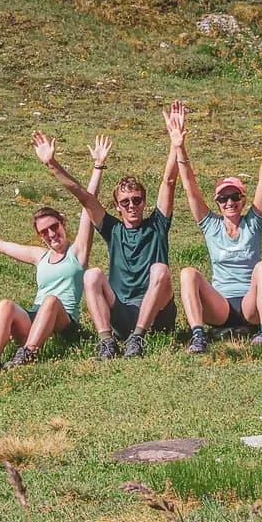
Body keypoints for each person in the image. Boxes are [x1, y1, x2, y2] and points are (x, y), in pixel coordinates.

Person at [34, 113, 179, 360]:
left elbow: (169, 181)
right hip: (122, 313)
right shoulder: (113, 229)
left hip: (158, 314)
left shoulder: (157, 224)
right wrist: (52, 164)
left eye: (137, 200)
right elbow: (84, 196)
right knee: (92, 275)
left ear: (144, 202)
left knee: (160, 270)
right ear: (117, 206)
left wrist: (176, 144)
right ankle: (107, 342)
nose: (132, 205)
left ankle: (139, 338)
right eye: (125, 202)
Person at [0, 136, 109, 366]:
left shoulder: (77, 252)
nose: (51, 234)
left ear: (63, 225)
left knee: (51, 300)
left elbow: (88, 206)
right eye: (44, 232)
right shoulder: (40, 256)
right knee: (6, 304)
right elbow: (1, 245)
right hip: (36, 320)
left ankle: (29, 353)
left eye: (54, 227)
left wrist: (97, 167)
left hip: (63, 324)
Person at [175, 106, 262, 353]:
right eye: (223, 199)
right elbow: (190, 188)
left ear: (243, 199)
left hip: (250, 304)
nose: (229, 203)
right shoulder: (211, 225)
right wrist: (179, 146)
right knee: (188, 273)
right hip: (221, 305)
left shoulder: (253, 222)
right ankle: (198, 336)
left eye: (234, 196)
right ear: (217, 203)